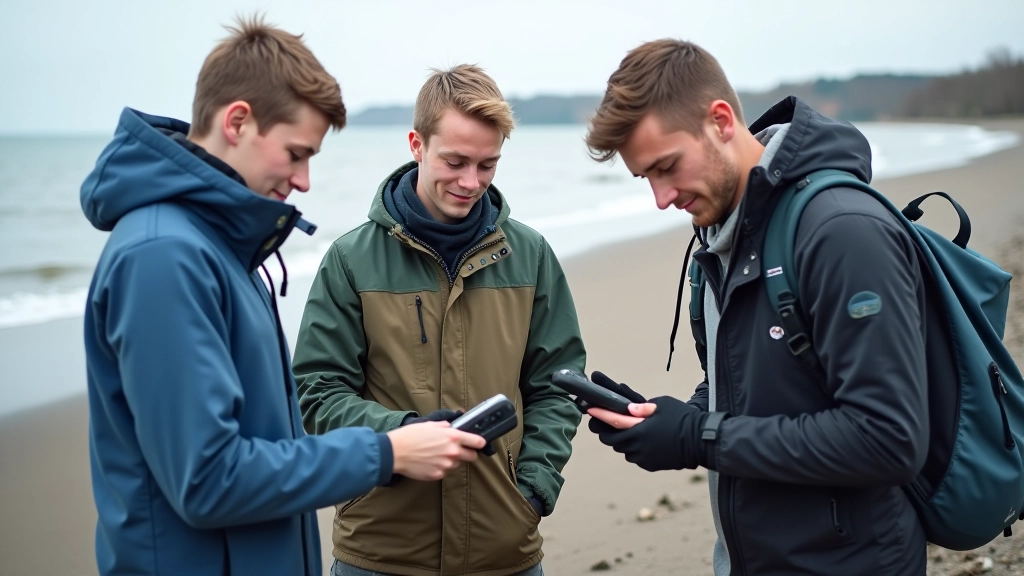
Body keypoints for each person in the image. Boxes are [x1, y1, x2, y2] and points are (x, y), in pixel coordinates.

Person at [80, 16, 485, 576]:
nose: (304, 181)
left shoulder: (222, 245)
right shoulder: (163, 256)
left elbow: (263, 442)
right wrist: (386, 453)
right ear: (238, 121)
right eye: (296, 153)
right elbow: (208, 480)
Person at [580, 39, 952, 575]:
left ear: (722, 120)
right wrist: (665, 420)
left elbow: (889, 439)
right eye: (646, 179)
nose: (661, 199)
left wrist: (695, 436)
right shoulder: (719, 237)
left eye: (667, 166)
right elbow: (750, 385)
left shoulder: (840, 230)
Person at [292, 63, 585, 576]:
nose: (471, 182)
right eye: (455, 161)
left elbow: (557, 384)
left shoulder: (532, 255)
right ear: (416, 144)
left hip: (505, 548)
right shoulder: (349, 260)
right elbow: (317, 393)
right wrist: (404, 436)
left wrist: (534, 489)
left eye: (488, 165)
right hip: (381, 551)